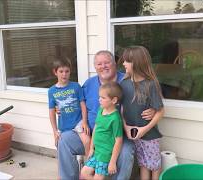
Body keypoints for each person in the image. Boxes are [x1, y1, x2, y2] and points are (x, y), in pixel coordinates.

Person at [57, 50, 155, 180]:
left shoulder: (127, 81)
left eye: (107, 62)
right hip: (92, 134)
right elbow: (77, 105)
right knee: (64, 139)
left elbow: (147, 96)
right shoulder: (88, 84)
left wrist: (153, 108)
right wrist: (61, 108)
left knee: (126, 151)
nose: (103, 66)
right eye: (99, 64)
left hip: (117, 138)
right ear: (95, 67)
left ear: (114, 63)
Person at [120, 46, 165, 180]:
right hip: (133, 134)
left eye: (126, 61)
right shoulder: (124, 83)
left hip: (149, 135)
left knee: (154, 164)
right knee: (143, 164)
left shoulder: (150, 84)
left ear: (136, 63)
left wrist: (145, 129)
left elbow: (160, 111)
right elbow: (121, 109)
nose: (123, 64)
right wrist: (126, 127)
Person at [47, 59, 91, 173]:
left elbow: (83, 105)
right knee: (59, 145)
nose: (64, 74)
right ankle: (68, 172)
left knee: (87, 141)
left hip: (78, 122)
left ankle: (88, 168)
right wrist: (54, 131)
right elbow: (51, 111)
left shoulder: (76, 86)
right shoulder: (51, 91)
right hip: (64, 125)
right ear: (55, 72)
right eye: (61, 71)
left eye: (67, 71)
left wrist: (85, 122)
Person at [81, 82, 123, 179]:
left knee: (98, 177)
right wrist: (91, 147)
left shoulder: (115, 118)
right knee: (84, 173)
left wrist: (112, 161)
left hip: (105, 155)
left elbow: (118, 141)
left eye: (103, 98)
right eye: (99, 97)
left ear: (114, 100)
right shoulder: (101, 110)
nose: (99, 99)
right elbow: (96, 128)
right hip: (96, 152)